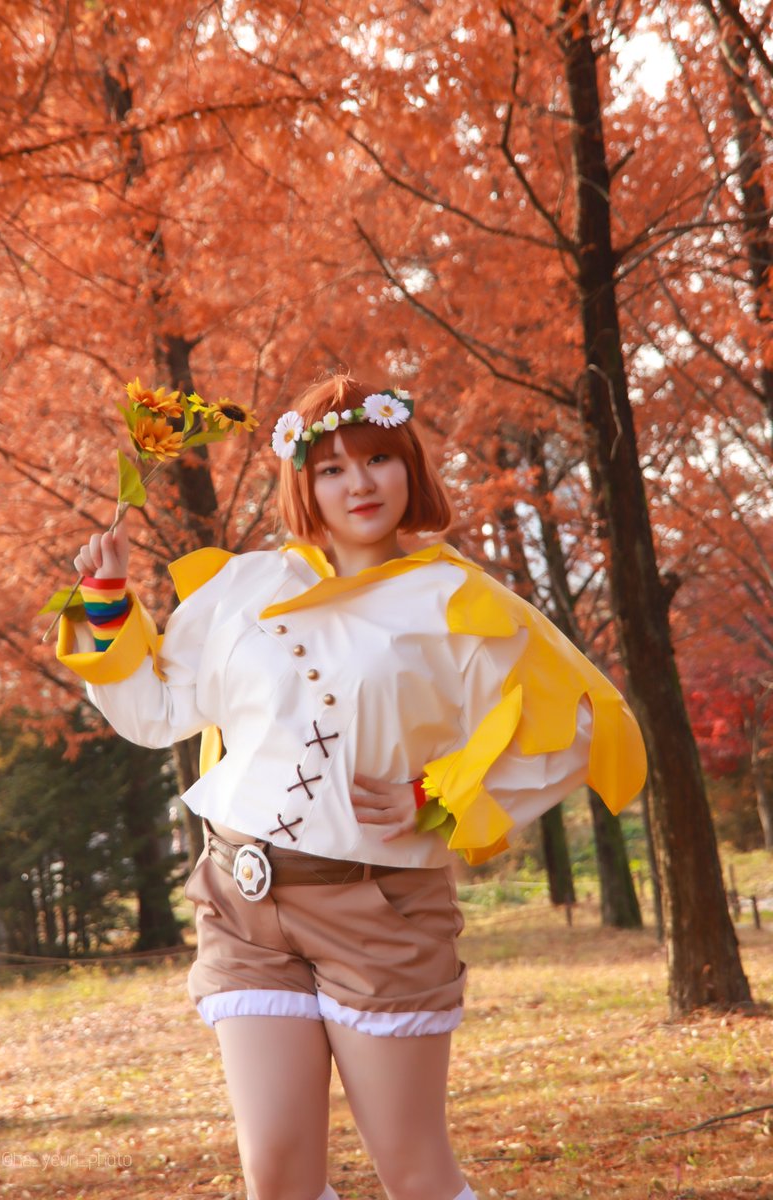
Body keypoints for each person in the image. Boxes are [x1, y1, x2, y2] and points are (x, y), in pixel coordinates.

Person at [56, 373, 646, 1200]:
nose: (358, 483)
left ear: (409, 467)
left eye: (376, 459)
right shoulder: (244, 588)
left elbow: (577, 724)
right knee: (277, 1176)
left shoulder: (456, 601)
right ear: (304, 484)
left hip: (381, 910)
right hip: (243, 901)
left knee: (413, 1171)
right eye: (330, 468)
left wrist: (439, 796)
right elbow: (156, 712)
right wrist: (106, 602)